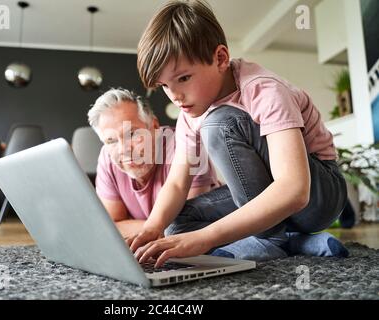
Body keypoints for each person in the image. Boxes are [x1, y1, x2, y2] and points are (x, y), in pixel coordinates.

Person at [128, 0, 349, 267]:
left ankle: (269, 241)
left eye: (183, 78)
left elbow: (294, 190)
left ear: (220, 58)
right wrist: (152, 228)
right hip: (274, 199)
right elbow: (176, 184)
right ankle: (295, 242)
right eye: (164, 85)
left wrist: (208, 237)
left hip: (318, 196)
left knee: (220, 124)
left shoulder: (264, 91)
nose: (175, 96)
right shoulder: (190, 110)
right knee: (177, 225)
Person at [88, 88, 220, 239]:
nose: (124, 149)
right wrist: (155, 229)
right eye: (111, 141)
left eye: (132, 134)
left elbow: (186, 230)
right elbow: (111, 226)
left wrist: (135, 228)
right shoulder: (107, 157)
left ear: (155, 127)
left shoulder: (187, 147)